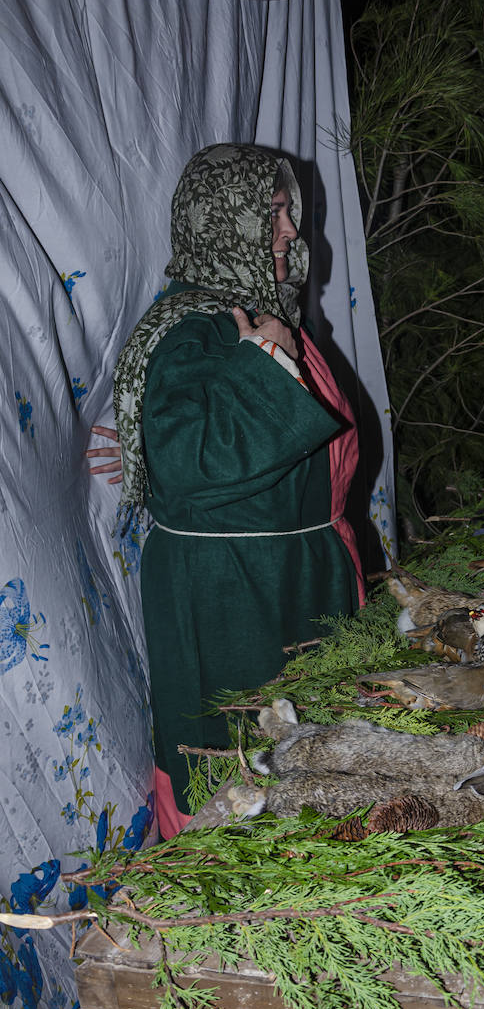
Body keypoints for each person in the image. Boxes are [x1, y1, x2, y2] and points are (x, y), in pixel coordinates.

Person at [107, 144, 365, 837]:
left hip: (286, 575)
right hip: (230, 598)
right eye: (272, 214)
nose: (290, 231)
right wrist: (266, 360)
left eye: (287, 213)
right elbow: (190, 460)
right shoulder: (194, 331)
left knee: (305, 760)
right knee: (234, 769)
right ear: (223, 223)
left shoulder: (250, 313)